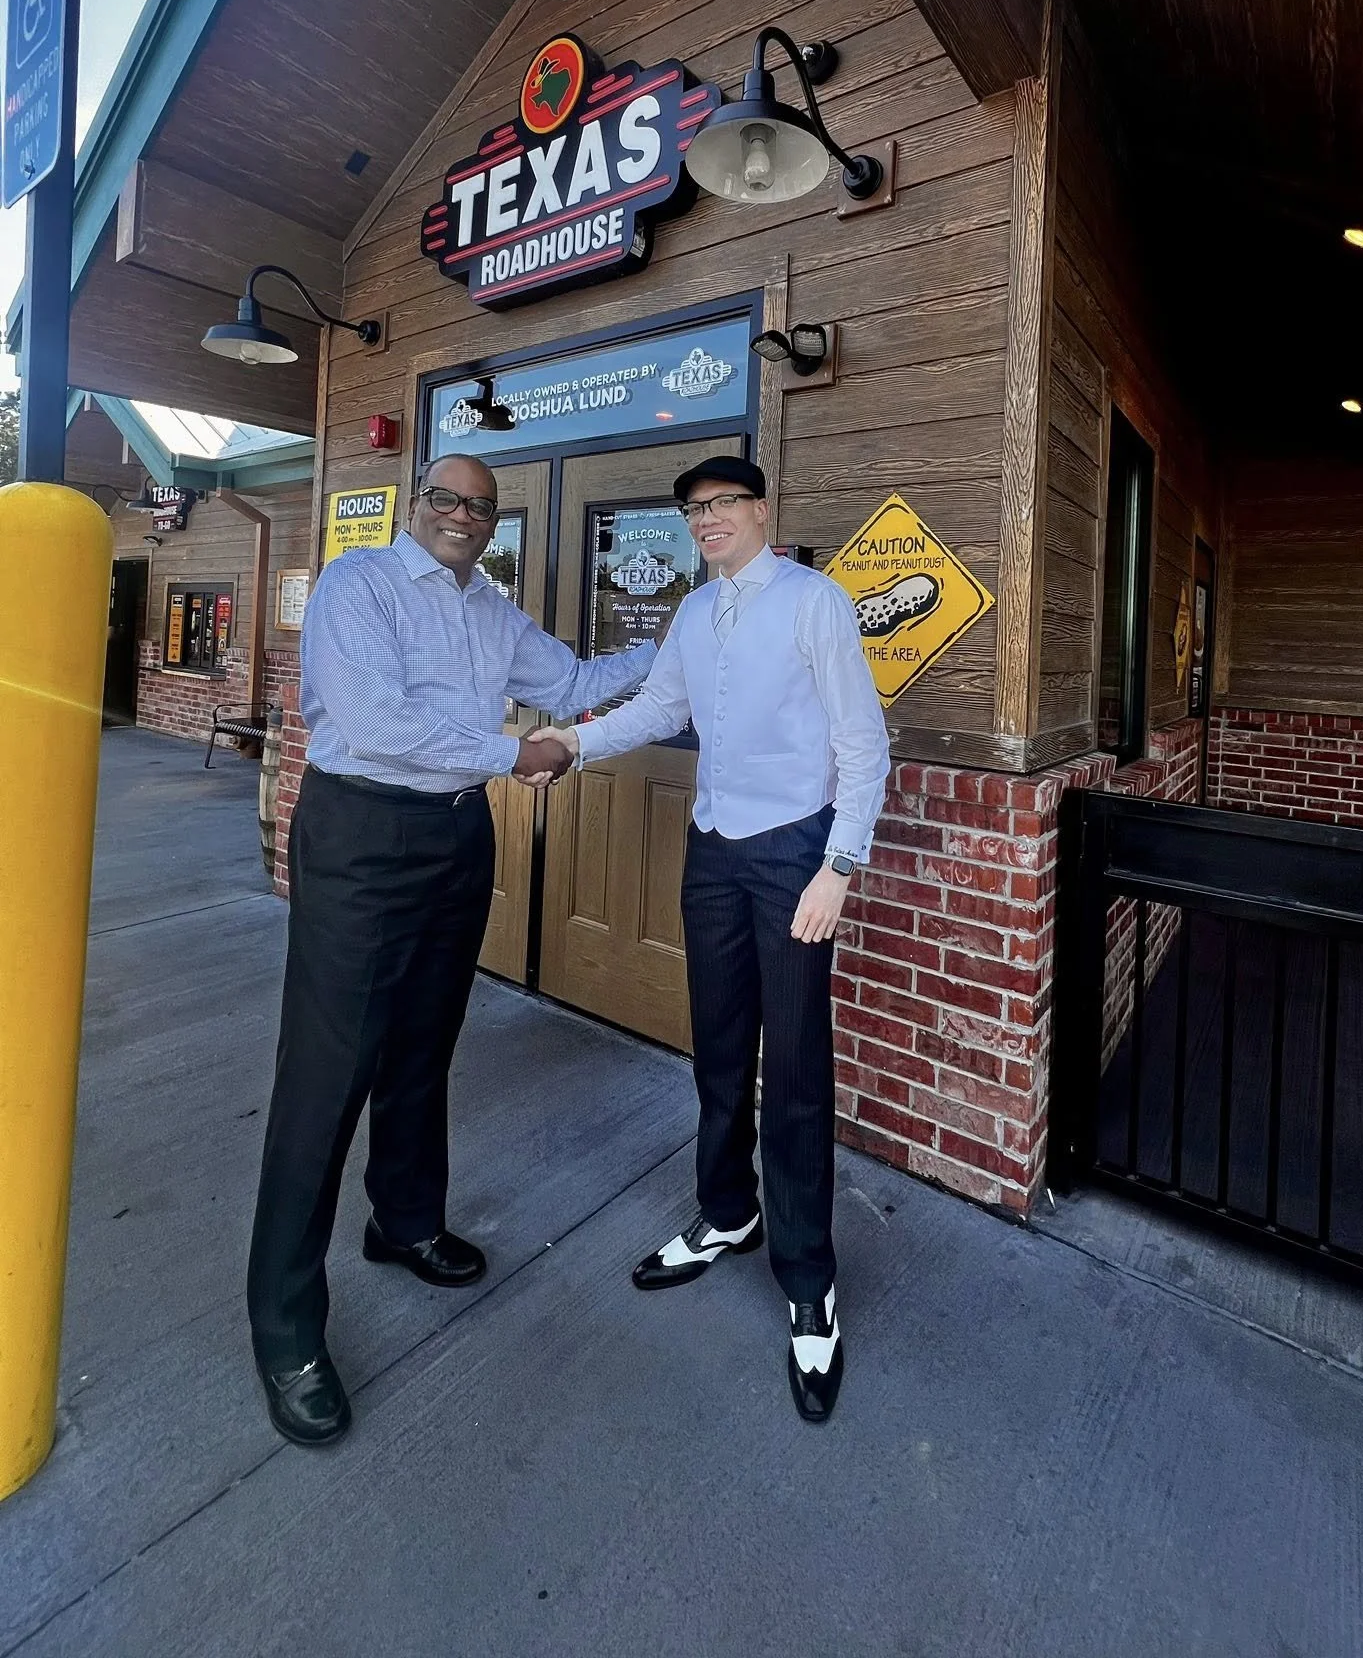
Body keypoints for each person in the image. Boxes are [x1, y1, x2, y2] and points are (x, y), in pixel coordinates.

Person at [248, 452, 655, 1447]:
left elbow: (571, 679)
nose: (465, 516)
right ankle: (286, 1324)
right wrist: (515, 751)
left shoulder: (490, 607)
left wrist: (675, 645)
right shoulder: (360, 583)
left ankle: (405, 1220)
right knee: (329, 1068)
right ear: (416, 502)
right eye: (449, 498)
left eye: (483, 506)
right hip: (362, 833)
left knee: (423, 1045)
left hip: (456, 834)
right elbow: (373, 721)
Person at [532, 456, 889, 1422]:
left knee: (799, 1065)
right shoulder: (694, 614)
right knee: (721, 1046)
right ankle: (728, 1211)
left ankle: (808, 1279)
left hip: (794, 856)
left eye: (723, 504)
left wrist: (838, 869)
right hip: (715, 851)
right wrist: (571, 742)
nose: (707, 521)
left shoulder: (816, 603)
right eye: (694, 511)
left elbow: (864, 743)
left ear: (763, 510)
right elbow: (660, 710)